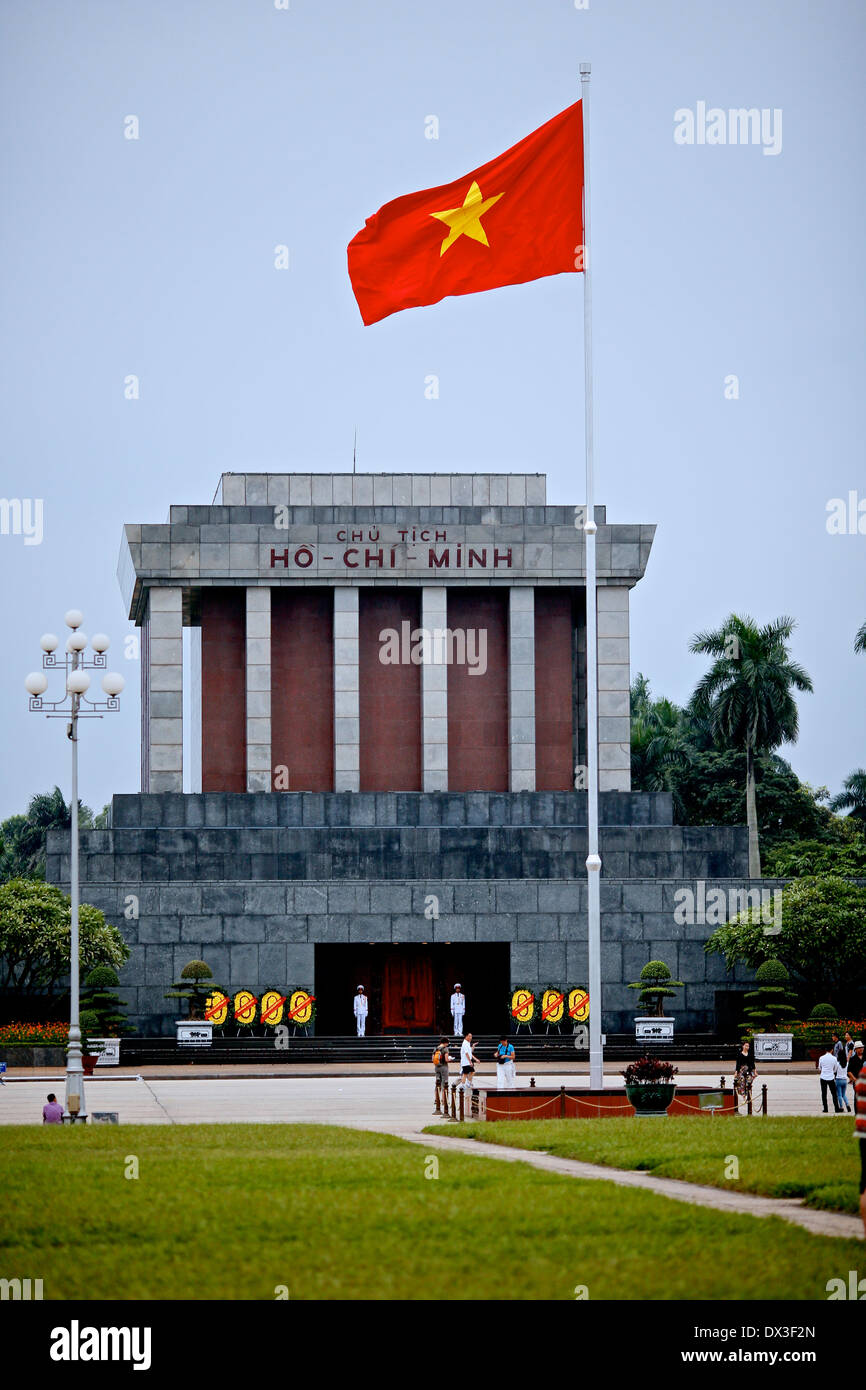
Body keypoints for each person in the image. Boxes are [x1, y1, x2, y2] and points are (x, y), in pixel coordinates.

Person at [817, 1045, 844, 1113]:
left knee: (824, 1093)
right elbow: (835, 1069)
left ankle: (825, 1109)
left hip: (823, 1077)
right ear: (832, 1050)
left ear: (826, 1050)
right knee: (834, 1094)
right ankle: (836, 1108)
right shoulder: (834, 1058)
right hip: (831, 1077)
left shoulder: (821, 1058)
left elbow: (820, 1068)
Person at [732, 1039, 755, 1110]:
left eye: (748, 1046)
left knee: (749, 1082)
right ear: (743, 1046)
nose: (747, 1047)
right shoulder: (740, 1054)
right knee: (742, 1083)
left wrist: (755, 1071)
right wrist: (736, 1072)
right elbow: (738, 1064)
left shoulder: (750, 1054)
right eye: (746, 1046)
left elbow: (752, 1063)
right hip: (742, 1070)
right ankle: (744, 1098)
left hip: (749, 1070)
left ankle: (749, 1096)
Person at [432, 1037, 451, 1114]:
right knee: (444, 1083)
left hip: (436, 1067)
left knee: (437, 1083)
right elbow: (446, 1059)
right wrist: (450, 1059)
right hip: (444, 1067)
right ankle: (443, 1099)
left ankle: (436, 1099)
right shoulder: (445, 1049)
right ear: (445, 1043)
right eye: (448, 1043)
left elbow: (432, 1059)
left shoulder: (435, 1048)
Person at [847, 1041, 864, 1115]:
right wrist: (854, 1079)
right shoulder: (853, 1059)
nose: (861, 1049)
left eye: (862, 1047)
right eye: (859, 1048)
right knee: (857, 1097)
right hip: (857, 1081)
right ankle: (857, 1113)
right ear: (855, 1049)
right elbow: (849, 1071)